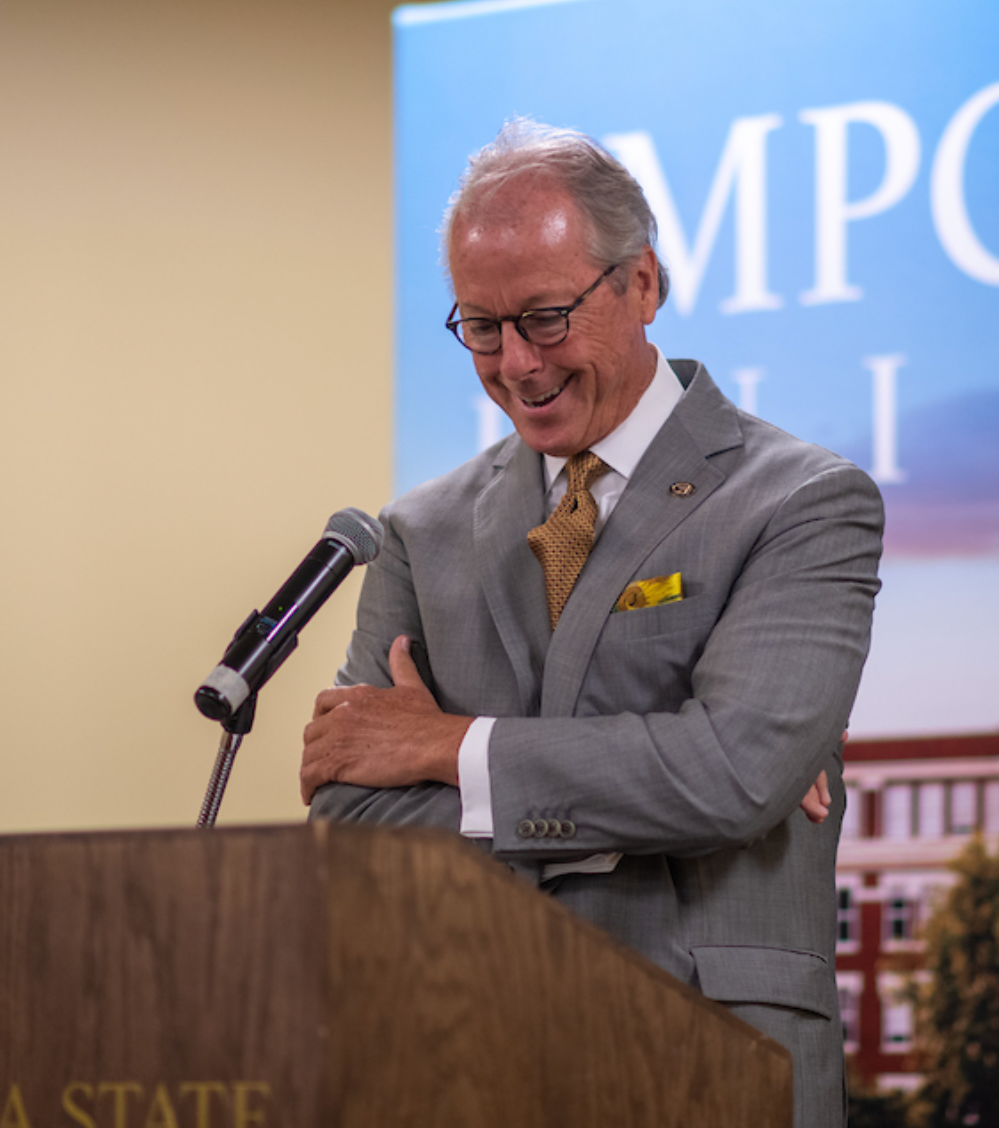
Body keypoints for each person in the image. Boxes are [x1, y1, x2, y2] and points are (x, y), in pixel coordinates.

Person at [301, 118, 883, 1128]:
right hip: (467, 1056)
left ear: (643, 284)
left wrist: (450, 749)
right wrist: (653, 789)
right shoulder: (416, 532)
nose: (515, 364)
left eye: (545, 317)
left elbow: (733, 775)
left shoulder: (803, 501)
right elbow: (355, 824)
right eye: (479, 328)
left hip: (714, 1056)